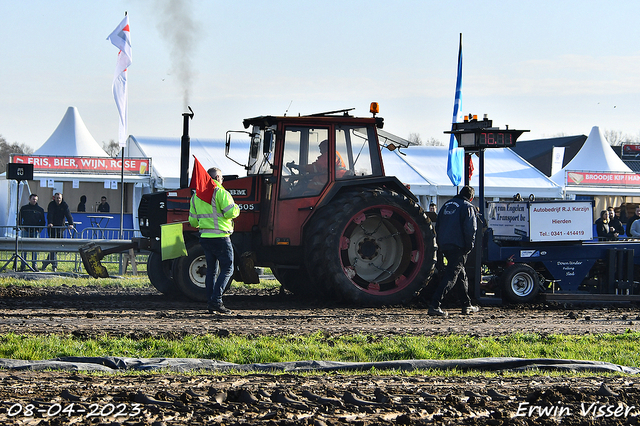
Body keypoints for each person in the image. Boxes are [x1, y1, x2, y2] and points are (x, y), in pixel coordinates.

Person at [189, 167, 240, 314]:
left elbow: (193, 222)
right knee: (228, 269)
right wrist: (237, 208)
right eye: (222, 178)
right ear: (217, 178)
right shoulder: (221, 193)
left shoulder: (196, 196)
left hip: (205, 238)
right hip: (221, 238)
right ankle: (217, 301)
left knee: (211, 271)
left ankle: (210, 302)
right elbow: (230, 212)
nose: (222, 181)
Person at [428, 185, 479, 317]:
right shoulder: (468, 207)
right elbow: (471, 228)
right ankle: (435, 305)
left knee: (461, 274)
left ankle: (466, 304)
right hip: (458, 246)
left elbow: (437, 225)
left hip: (444, 245)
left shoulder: (446, 205)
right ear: (471, 198)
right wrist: (469, 246)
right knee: (451, 276)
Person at [43, 193, 74, 271]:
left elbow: (68, 214)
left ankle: (46, 262)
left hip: (60, 228)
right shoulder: (51, 204)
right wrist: (50, 222)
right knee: (53, 246)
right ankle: (54, 265)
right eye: (57, 198)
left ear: (62, 198)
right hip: (52, 228)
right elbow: (50, 214)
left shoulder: (64, 205)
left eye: (59, 198)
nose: (58, 199)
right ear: (54, 198)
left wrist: (71, 223)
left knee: (56, 247)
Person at [19, 194, 45, 271]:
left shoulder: (40, 209)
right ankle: (23, 265)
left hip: (35, 231)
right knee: (24, 248)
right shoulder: (24, 208)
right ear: (29, 199)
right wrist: (21, 227)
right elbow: (19, 218)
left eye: (36, 199)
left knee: (35, 248)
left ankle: (34, 264)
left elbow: (43, 221)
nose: (34, 201)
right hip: (25, 230)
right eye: (33, 199)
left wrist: (39, 229)